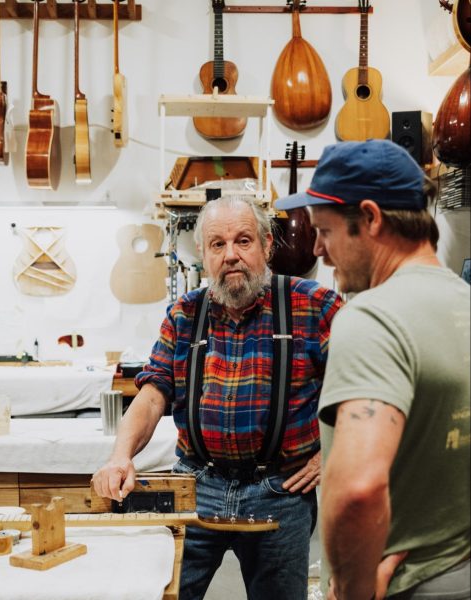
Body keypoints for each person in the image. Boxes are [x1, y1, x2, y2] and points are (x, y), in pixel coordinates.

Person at [92, 196, 342, 600]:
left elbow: (362, 393)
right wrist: (121, 455)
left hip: (279, 491)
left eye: (243, 241)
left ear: (266, 246)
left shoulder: (314, 305)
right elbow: (153, 394)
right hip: (197, 483)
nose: (231, 255)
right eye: (217, 244)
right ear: (204, 255)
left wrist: (328, 454)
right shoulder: (184, 314)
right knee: (161, 590)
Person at [275, 139, 470, 600]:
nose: (318, 249)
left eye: (325, 230)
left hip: (409, 584)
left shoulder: (371, 317)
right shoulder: (464, 301)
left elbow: (358, 488)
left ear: (371, 218)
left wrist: (353, 588)